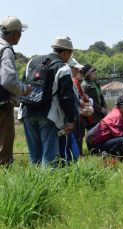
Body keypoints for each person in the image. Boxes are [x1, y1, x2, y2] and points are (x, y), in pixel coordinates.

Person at [19, 36, 77, 166]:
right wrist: (70, 119)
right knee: (49, 157)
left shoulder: (32, 62)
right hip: (48, 115)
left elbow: (23, 84)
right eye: (70, 52)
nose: (70, 56)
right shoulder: (63, 68)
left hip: (27, 112)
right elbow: (66, 97)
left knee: (34, 156)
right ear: (65, 51)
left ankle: (34, 184)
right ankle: (47, 185)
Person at [0, 16, 32, 165]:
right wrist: (24, 89)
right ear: (15, 34)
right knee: (3, 150)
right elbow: (8, 81)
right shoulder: (6, 50)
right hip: (1, 106)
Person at [68, 58, 93, 155]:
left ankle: (78, 154)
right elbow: (78, 98)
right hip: (76, 113)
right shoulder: (74, 81)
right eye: (76, 69)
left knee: (79, 134)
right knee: (76, 135)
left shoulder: (74, 81)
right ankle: (76, 154)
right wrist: (84, 103)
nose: (79, 71)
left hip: (78, 112)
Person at [81, 64, 107, 130]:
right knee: (94, 134)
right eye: (92, 71)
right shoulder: (85, 85)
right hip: (93, 115)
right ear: (87, 74)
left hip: (101, 113)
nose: (94, 73)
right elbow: (89, 101)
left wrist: (105, 106)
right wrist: (101, 109)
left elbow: (101, 96)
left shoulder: (95, 82)